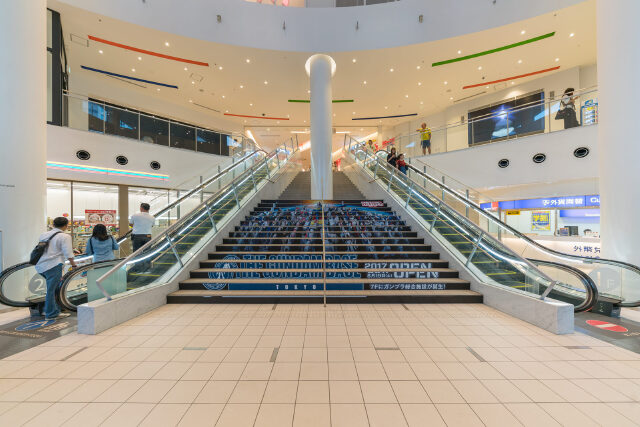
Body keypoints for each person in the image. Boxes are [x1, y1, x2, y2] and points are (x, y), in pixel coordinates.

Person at [35, 217, 76, 320]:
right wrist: (73, 265)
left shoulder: (44, 234)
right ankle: (51, 314)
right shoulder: (65, 236)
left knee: (54, 288)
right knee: (52, 290)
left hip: (40, 265)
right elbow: (68, 253)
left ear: (53, 224)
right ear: (66, 225)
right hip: (53, 265)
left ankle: (54, 310)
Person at [130, 203, 155, 270]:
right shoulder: (152, 217)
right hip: (147, 236)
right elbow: (152, 225)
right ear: (149, 209)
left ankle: (138, 267)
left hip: (137, 236)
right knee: (147, 252)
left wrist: (136, 227)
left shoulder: (135, 215)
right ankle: (147, 267)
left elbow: (130, 224)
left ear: (141, 208)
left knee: (137, 252)